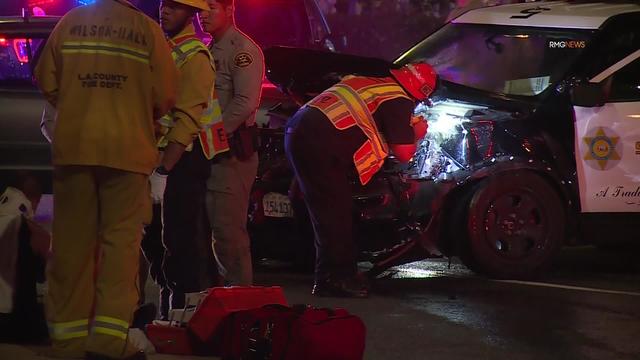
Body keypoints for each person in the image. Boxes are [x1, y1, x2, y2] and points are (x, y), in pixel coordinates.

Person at [34, 0, 178, 358]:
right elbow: (165, 95)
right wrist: (135, 110)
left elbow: (46, 79)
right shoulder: (148, 31)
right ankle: (109, 341)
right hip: (127, 152)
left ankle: (68, 338)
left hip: (76, 147)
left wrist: (77, 105)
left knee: (71, 244)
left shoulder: (70, 23)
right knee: (120, 246)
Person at [284, 63, 435, 298]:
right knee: (335, 212)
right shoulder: (397, 98)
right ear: (418, 92)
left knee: (321, 208)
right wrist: (417, 132)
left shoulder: (371, 83)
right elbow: (404, 153)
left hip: (299, 131)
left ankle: (320, 268)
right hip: (319, 142)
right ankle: (335, 280)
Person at [143, 0, 228, 320]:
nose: (165, 11)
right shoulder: (165, 48)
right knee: (156, 242)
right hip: (161, 159)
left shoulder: (195, 56)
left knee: (179, 241)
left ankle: (182, 315)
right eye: (164, 5)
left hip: (183, 160)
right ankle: (169, 308)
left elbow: (186, 122)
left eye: (175, 7)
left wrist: (164, 170)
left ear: (191, 13)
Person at [199, 0, 264, 286]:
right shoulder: (209, 47)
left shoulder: (242, 50)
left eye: (211, 7)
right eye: (200, 8)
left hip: (230, 154)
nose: (202, 14)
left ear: (229, 10)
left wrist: (209, 137)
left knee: (228, 236)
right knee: (208, 233)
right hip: (209, 152)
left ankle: (240, 305)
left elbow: (244, 103)